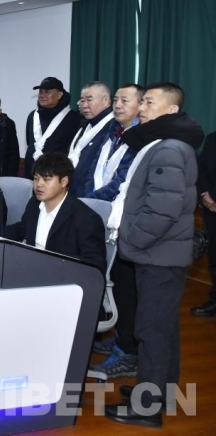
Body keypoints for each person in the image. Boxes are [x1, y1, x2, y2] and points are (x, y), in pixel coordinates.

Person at [104, 83, 204, 428]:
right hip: (161, 254)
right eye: (143, 101)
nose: (142, 107)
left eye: (149, 102)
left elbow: (162, 211)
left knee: (151, 331)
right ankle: (161, 393)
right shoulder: (164, 143)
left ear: (171, 110)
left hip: (157, 254)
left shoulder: (169, 149)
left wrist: (132, 240)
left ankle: (147, 408)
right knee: (163, 328)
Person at [86, 84, 144, 380]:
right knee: (116, 284)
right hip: (99, 211)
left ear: (142, 106)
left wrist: (92, 202)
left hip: (119, 218)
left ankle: (128, 352)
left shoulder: (141, 139)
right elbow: (95, 170)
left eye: (125, 100)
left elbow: (121, 182)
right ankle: (121, 337)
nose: (118, 105)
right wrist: (88, 200)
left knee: (126, 286)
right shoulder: (114, 131)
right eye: (117, 100)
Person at [4, 152, 106, 274]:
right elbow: (22, 229)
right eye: (36, 178)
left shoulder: (87, 218)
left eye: (46, 180)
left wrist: (56, 265)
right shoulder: (34, 204)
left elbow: (96, 265)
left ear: (64, 181)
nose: (39, 184)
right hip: (32, 270)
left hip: (64, 277)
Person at [24, 77, 82, 178]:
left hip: (56, 177)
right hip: (31, 175)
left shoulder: (73, 119)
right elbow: (30, 142)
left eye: (47, 92)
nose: (42, 95)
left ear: (59, 95)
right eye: (41, 92)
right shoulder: (32, 116)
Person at [68, 82, 114, 198]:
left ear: (105, 100)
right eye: (82, 100)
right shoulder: (86, 125)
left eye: (89, 100)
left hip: (93, 195)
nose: (84, 105)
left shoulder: (113, 128)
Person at [191, 130, 216, 317]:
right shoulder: (212, 138)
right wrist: (206, 195)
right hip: (211, 207)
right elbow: (202, 168)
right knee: (214, 257)